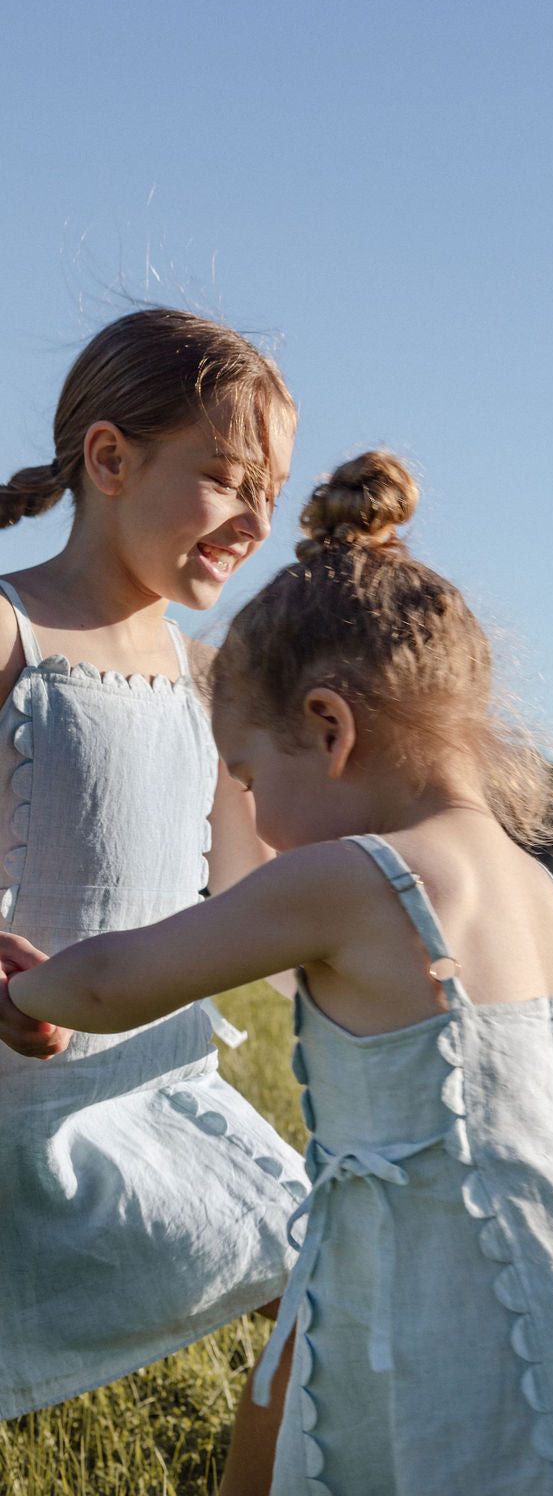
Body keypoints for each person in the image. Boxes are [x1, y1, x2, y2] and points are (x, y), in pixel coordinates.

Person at [0, 449, 553, 1495]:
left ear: (328, 730)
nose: (250, 812)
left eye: (246, 776)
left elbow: (115, 984)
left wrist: (22, 991)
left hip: (432, 1271)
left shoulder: (343, 877)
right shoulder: (531, 887)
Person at [0, 308, 308, 1489]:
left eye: (270, 491)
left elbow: (255, 897)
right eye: (227, 477)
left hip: (158, 1091)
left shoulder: (209, 680)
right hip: (16, 1104)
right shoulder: (15, 631)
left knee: (334, 1263)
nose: (254, 519)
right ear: (112, 459)